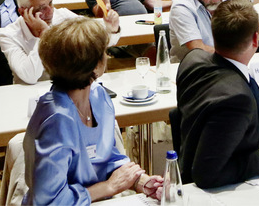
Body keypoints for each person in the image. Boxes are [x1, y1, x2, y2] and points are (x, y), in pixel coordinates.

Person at [25, 18, 163, 204]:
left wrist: (139, 180)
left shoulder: (99, 97)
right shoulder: (57, 120)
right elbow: (49, 202)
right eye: (104, 53)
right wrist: (108, 187)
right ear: (96, 66)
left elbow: (106, 156)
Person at [176, 0, 259, 188]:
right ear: (255, 39)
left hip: (185, 169)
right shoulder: (237, 98)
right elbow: (206, 174)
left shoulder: (192, 59)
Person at [0, 0, 120, 85]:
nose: (50, 11)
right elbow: (30, 77)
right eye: (41, 8)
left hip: (69, 86)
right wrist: (44, 35)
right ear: (23, 11)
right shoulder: (8, 35)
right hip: (31, 94)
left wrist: (111, 29)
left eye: (50, 3)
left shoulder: (62, 16)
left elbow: (98, 40)